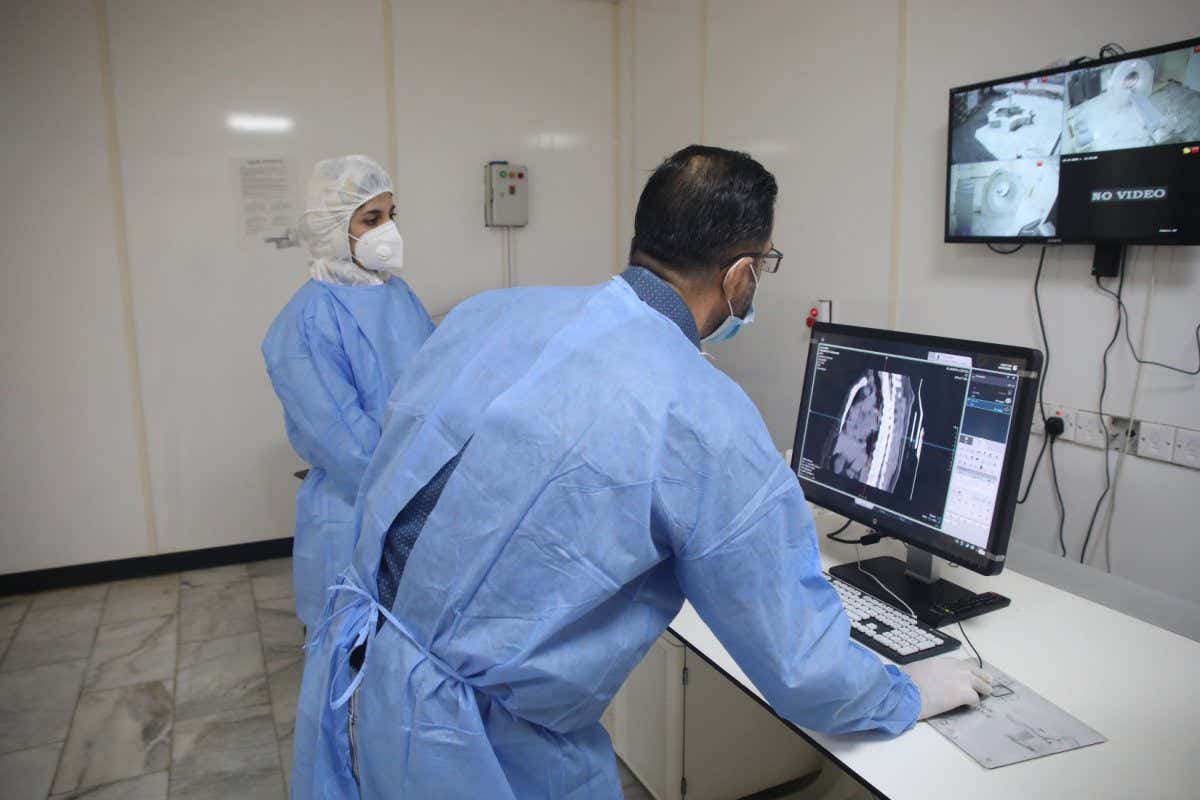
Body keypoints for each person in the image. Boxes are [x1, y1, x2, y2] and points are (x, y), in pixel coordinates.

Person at [292, 145, 991, 798]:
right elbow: (800, 663)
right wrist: (909, 691)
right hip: (476, 749)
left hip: (364, 671)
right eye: (765, 264)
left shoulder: (490, 312)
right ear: (742, 273)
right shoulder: (704, 415)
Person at [262, 155, 434, 629]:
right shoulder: (307, 320)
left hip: (413, 499)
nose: (388, 231)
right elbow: (341, 439)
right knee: (355, 650)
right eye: (371, 219)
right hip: (357, 510)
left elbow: (434, 385)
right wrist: (412, 486)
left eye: (391, 216)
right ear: (335, 229)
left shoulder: (398, 294)